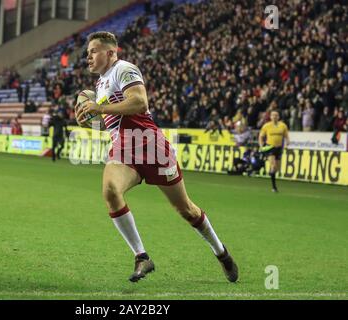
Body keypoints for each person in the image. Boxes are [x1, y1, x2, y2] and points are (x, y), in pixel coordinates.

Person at [75, 31, 238, 283]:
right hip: (124, 150)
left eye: (93, 51)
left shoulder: (124, 69)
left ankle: (221, 252)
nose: (88, 57)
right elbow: (110, 123)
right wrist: (89, 122)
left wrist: (100, 107)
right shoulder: (100, 84)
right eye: (87, 53)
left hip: (151, 147)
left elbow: (139, 102)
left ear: (110, 52)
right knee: (110, 190)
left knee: (186, 210)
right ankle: (142, 256)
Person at [258, 110, 290, 193]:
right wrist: (261, 145)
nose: (274, 117)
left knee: (277, 168)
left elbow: (286, 136)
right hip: (270, 147)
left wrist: (287, 143)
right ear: (270, 117)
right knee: (273, 165)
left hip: (279, 148)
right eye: (273, 115)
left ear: (278, 117)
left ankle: (271, 173)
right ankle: (274, 187)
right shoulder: (266, 126)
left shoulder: (283, 126)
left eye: (276, 115)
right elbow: (261, 136)